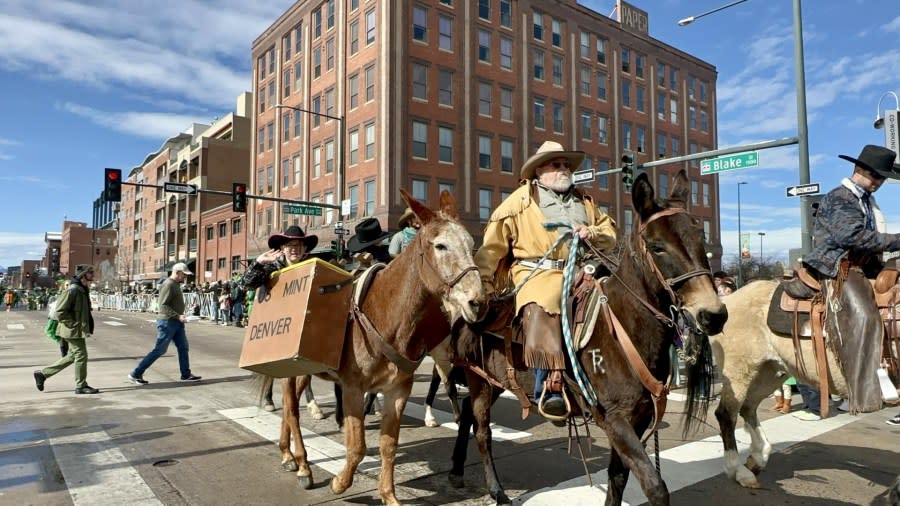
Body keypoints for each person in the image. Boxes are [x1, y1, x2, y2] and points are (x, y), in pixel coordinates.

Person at [475, 140, 617, 420]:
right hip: (536, 272)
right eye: (557, 164)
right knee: (546, 304)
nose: (564, 169)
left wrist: (592, 232)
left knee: (614, 298)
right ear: (539, 171)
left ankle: (609, 373)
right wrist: (483, 283)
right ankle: (548, 388)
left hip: (580, 268)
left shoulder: (585, 201)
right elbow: (491, 249)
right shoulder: (518, 202)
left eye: (566, 165)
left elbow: (610, 233)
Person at [240, 225, 323, 416]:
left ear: (304, 248)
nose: (294, 248)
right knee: (272, 360)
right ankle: (268, 394)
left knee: (306, 361)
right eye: (290, 245)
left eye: (299, 245)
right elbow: (246, 283)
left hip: (302, 322)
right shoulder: (272, 268)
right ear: (283, 248)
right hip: (276, 322)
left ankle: (308, 398)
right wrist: (258, 263)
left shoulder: (312, 266)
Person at [128, 262, 201, 385]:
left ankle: (186, 374)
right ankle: (136, 373)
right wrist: (178, 315)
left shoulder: (175, 284)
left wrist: (179, 316)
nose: (185, 277)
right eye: (184, 275)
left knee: (183, 347)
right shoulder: (168, 285)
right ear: (177, 273)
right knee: (159, 350)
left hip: (176, 322)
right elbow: (163, 306)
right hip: (168, 322)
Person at [33, 264, 99, 394]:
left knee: (73, 356)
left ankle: (43, 374)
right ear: (83, 274)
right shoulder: (73, 290)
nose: (93, 275)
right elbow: (60, 311)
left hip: (76, 329)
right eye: (90, 272)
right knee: (81, 355)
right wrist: (72, 324)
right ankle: (81, 386)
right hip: (72, 330)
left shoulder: (83, 289)